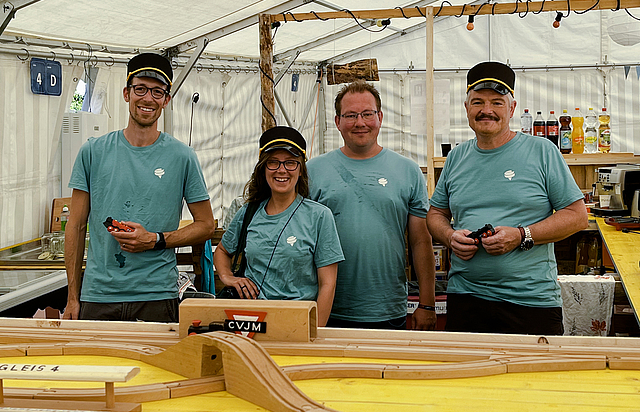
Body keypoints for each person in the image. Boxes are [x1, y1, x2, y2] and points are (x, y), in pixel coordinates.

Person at [427, 61, 588, 335]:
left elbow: (577, 216)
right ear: (466, 108)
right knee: (468, 377)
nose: (486, 110)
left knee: (534, 377)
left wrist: (522, 235)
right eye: (477, 102)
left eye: (497, 103)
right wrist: (449, 236)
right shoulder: (456, 158)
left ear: (511, 109)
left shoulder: (542, 152)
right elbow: (436, 214)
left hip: (530, 302)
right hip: (466, 299)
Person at [63, 53, 214, 322]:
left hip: (156, 295)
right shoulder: (93, 152)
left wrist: (155, 240)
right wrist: (73, 297)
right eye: (140, 89)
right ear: (126, 93)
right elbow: (75, 227)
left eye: (157, 92)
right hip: (99, 296)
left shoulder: (182, 157)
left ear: (166, 100)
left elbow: (206, 225)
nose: (147, 99)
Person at [307, 80, 437, 331]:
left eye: (367, 114)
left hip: (386, 307)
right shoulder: (314, 170)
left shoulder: (407, 170)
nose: (360, 123)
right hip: (327, 307)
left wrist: (427, 303)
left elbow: (421, 241)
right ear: (337, 122)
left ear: (380, 117)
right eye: (350, 115)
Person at [213, 126, 343, 326]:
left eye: (290, 163)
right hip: (251, 322)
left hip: (297, 322)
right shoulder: (248, 212)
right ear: (263, 168)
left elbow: (328, 284)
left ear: (301, 170)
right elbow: (222, 250)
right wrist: (227, 277)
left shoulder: (319, 216)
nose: (282, 170)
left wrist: (316, 331)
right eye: (273, 162)